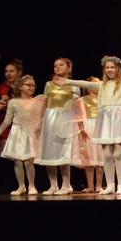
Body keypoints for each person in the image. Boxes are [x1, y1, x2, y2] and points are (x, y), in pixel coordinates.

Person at [54, 56, 121, 195]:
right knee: (107, 154)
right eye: (107, 67)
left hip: (119, 119)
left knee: (118, 153)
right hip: (105, 120)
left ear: (118, 69)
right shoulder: (101, 85)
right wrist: (67, 81)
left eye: (112, 67)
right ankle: (110, 185)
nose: (109, 70)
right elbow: (83, 84)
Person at [36, 58, 81, 195]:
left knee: (63, 151)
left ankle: (66, 185)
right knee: (49, 151)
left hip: (65, 118)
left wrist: (79, 123)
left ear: (69, 68)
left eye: (61, 65)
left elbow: (77, 105)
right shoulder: (48, 84)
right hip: (50, 118)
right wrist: (40, 119)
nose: (57, 67)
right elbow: (45, 102)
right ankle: (53, 185)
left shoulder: (73, 84)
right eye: (55, 65)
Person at [0, 75, 46, 195]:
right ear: (20, 87)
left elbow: (42, 116)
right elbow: (7, 121)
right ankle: (21, 186)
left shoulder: (38, 100)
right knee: (18, 161)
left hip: (30, 133)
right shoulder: (13, 102)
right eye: (29, 85)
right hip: (17, 133)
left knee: (29, 161)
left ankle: (32, 186)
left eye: (33, 85)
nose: (32, 87)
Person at [75, 77, 104, 192]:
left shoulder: (103, 99)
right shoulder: (82, 100)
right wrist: (81, 128)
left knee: (100, 156)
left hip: (101, 126)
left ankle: (99, 185)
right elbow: (78, 116)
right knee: (89, 157)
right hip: (88, 127)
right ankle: (90, 186)